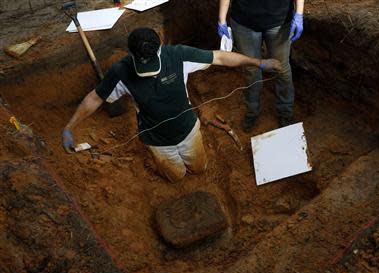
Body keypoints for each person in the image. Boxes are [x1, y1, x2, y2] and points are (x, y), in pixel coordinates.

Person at [62, 27, 281, 183]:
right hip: (157, 142)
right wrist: (69, 127)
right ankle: (171, 170)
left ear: (159, 50)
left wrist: (258, 62)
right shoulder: (121, 71)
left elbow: (220, 58)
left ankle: (192, 162)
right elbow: (95, 97)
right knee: (176, 177)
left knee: (199, 168)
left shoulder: (177, 55)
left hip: (188, 131)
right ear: (131, 55)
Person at [218, 0, 304, 132]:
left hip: (279, 21)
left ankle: (285, 112)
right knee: (250, 70)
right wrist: (222, 19)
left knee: (281, 68)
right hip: (244, 23)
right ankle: (252, 112)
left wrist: (299, 13)